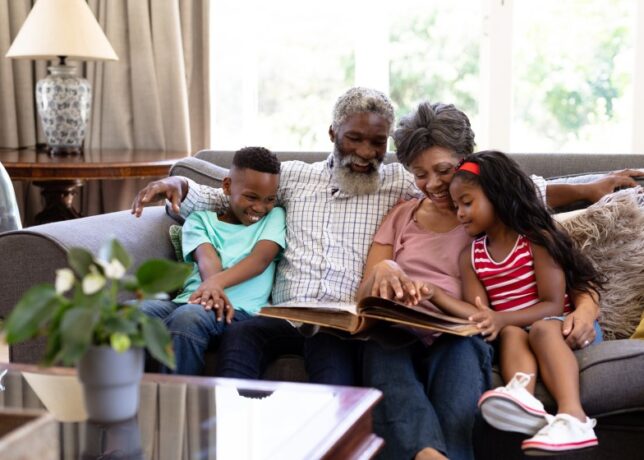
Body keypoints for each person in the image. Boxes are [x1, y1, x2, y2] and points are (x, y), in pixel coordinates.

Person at [356, 101, 632, 460]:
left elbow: (567, 263)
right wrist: (384, 269)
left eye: (443, 170)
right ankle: (426, 455)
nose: (434, 185)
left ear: (468, 162)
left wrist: (586, 306)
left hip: (462, 331)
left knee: (461, 357)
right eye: (419, 174)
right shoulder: (402, 214)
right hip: (403, 327)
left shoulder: (497, 212)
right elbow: (365, 295)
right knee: (380, 354)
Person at [426, 150, 602, 455]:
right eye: (456, 207)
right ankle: (523, 400)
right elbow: (480, 314)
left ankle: (575, 416)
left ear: (498, 195)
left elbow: (552, 306)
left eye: (467, 203)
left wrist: (502, 318)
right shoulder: (471, 256)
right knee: (510, 333)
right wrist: (435, 295)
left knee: (541, 330)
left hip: (562, 328)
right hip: (519, 331)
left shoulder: (536, 239)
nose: (460, 214)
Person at [139, 147, 286, 375]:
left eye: (269, 199)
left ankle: (180, 405)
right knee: (127, 314)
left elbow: (261, 259)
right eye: (251, 197)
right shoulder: (200, 220)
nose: (260, 207)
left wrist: (216, 285)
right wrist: (213, 285)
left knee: (188, 318)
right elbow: (207, 259)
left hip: (240, 311)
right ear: (227, 186)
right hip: (189, 302)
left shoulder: (274, 217)